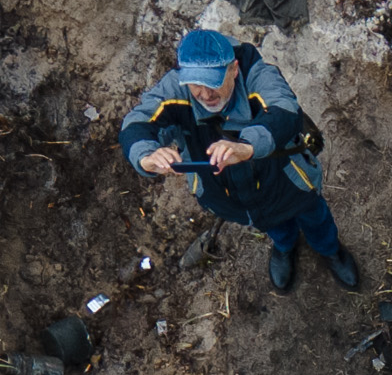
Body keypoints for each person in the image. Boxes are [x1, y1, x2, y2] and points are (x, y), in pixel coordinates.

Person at [119, 27, 357, 292]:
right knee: (273, 225)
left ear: (234, 69)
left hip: (287, 181)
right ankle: (284, 247)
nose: (205, 94)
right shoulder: (176, 88)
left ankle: (330, 249)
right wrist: (145, 156)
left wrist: (247, 147)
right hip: (232, 197)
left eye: (213, 83)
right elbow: (137, 122)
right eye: (196, 84)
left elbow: (284, 110)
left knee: (314, 216)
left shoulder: (258, 74)